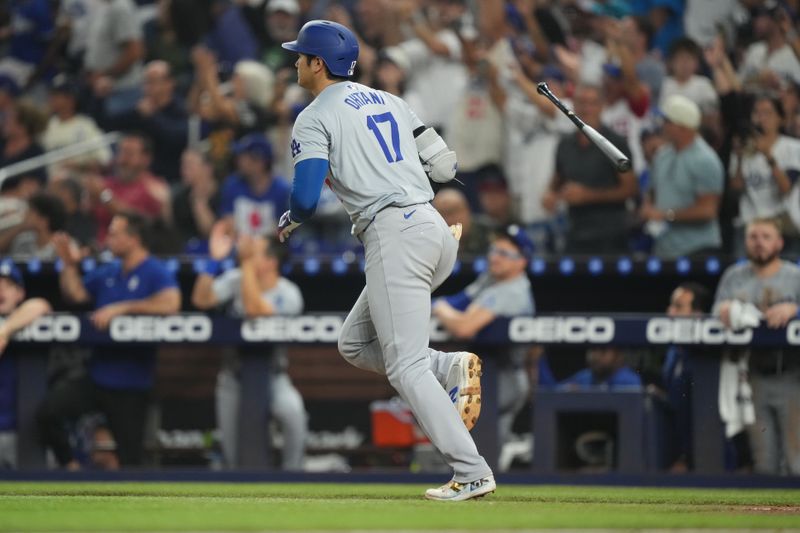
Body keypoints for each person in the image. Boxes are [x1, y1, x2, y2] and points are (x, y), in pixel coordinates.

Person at [277, 20, 494, 501]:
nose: (294, 61)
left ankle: (472, 471)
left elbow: (307, 199)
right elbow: (446, 167)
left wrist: (292, 217)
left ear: (318, 63)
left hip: (395, 233)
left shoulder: (313, 116)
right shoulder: (390, 99)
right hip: (435, 230)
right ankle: (449, 366)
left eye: (300, 55)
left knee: (405, 367)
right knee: (354, 344)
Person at [39, 212, 181, 469]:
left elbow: (171, 303)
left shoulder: (154, 271)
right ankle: (71, 467)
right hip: (97, 375)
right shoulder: (109, 271)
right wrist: (69, 265)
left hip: (132, 383)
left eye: (115, 234)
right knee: (49, 412)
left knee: (131, 461)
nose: (108, 239)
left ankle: (133, 504)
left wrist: (120, 308)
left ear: (134, 239)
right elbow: (76, 294)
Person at [191, 232, 307, 470]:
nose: (247, 253)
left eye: (255, 252)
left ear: (271, 262)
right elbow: (201, 299)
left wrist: (245, 263)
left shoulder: (289, 293)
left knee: (293, 413)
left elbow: (257, 312)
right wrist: (213, 261)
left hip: (274, 377)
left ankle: (294, 476)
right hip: (233, 376)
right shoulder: (237, 278)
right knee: (234, 455)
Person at [432, 225, 534, 461]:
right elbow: (458, 302)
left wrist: (438, 308)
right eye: (494, 250)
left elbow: (464, 327)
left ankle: (512, 455)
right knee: (486, 444)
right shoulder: (491, 279)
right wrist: (441, 306)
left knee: (480, 443)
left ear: (522, 262)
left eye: (505, 254)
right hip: (490, 373)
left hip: (504, 376)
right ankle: (508, 455)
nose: (495, 257)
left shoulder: (512, 291)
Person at [713, 218, 800, 475]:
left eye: (766, 236)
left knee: (797, 461)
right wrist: (724, 309)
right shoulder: (734, 276)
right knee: (764, 462)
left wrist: (796, 308)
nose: (759, 242)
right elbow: (715, 312)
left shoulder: (794, 276)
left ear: (779, 242)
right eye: (753, 236)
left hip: (793, 374)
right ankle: (767, 515)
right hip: (751, 375)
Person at [543, 84, 637, 254]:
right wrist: (551, 195)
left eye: (592, 103)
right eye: (581, 103)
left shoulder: (615, 143)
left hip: (610, 236)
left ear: (602, 106)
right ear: (573, 106)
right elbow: (557, 180)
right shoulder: (565, 145)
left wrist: (588, 195)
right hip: (575, 233)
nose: (587, 109)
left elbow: (630, 189)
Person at [640, 94, 724, 258]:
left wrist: (666, 215)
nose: (662, 126)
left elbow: (708, 210)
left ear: (682, 126)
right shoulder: (662, 155)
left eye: (667, 122)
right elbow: (652, 191)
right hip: (664, 248)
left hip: (698, 249)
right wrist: (648, 205)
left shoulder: (705, 160)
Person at [0, 260, 52, 469]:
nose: (1, 290)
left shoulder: (22, 317)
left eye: (8, 285)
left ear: (20, 293)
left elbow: (41, 305)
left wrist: (5, 331)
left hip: (20, 433)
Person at [657, 282, 712, 472]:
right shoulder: (673, 351)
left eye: (678, 307)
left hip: (708, 453)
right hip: (680, 447)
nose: (670, 312)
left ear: (697, 314)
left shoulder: (707, 355)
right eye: (671, 306)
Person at [559, 347, 642, 390]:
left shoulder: (628, 379)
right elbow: (552, 392)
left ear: (618, 355)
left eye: (603, 350)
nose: (596, 356)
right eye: (593, 350)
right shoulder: (584, 376)